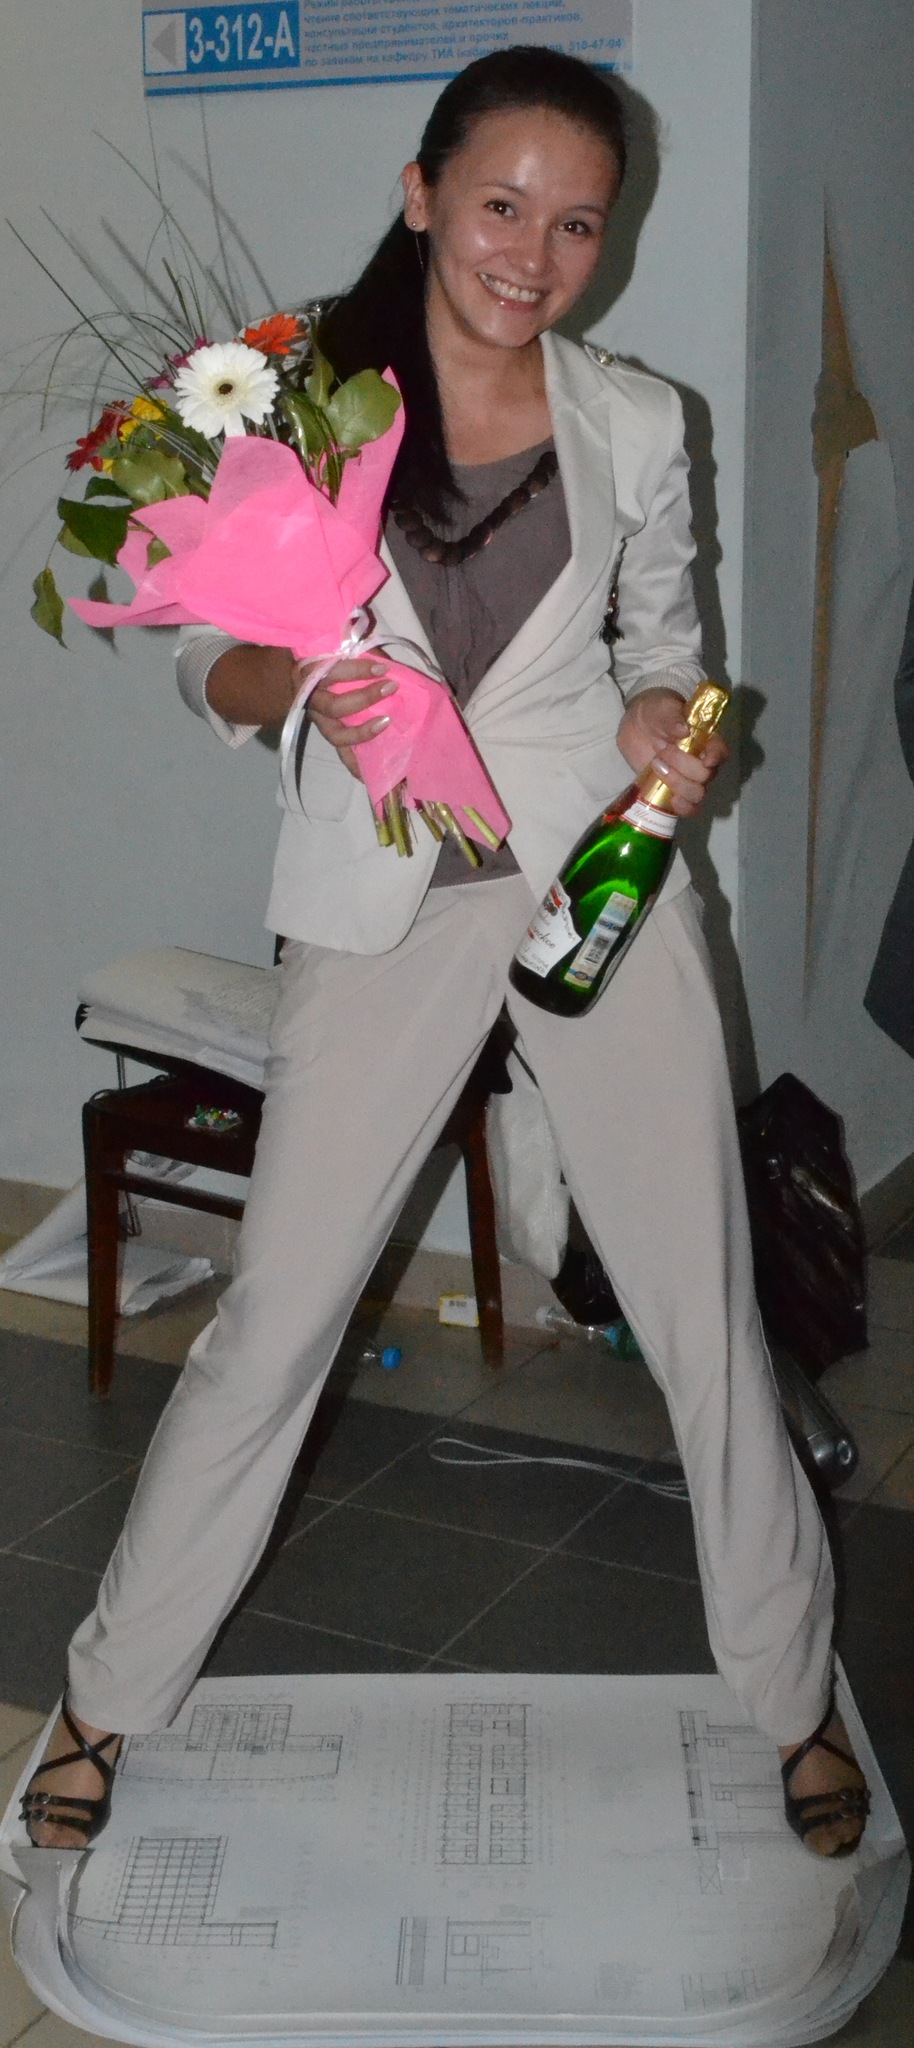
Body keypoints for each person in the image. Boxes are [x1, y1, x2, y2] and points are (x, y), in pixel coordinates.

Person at [22, 45, 868, 1861]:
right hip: (380, 897)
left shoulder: (634, 420)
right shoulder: (292, 405)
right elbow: (207, 659)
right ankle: (104, 1699)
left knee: (702, 1315)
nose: (533, 254)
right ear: (420, 194)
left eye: (577, 224)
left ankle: (794, 1697)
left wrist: (666, 727)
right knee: (276, 1324)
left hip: (594, 890)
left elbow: (664, 645)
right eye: (501, 205)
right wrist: (293, 680)